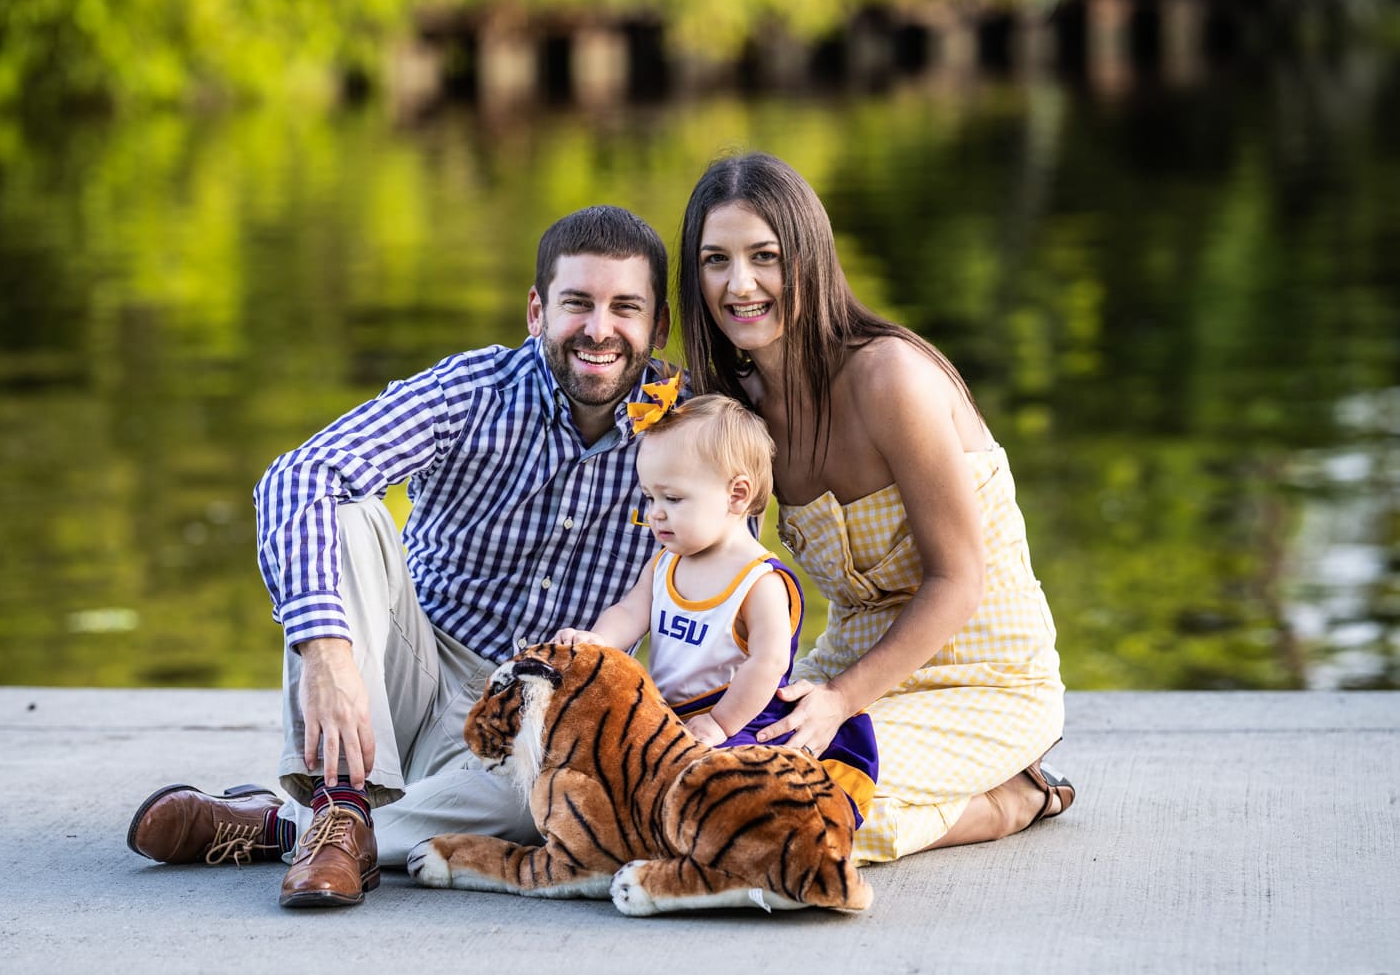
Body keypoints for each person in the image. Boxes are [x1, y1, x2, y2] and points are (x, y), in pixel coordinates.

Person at [127, 205, 682, 907]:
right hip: (410, 671)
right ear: (537, 311)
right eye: (578, 303)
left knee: (541, 809)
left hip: (528, 714)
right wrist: (326, 656)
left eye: (624, 308)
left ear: (658, 326)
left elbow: (714, 591)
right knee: (348, 508)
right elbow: (300, 475)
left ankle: (290, 828)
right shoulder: (472, 390)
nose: (599, 330)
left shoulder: (691, 434)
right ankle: (338, 799)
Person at [676, 152, 1075, 864]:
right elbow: (724, 573)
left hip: (985, 678)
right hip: (853, 669)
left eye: (764, 256)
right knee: (700, 784)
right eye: (716, 260)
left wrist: (837, 703)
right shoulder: (741, 416)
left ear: (808, 257)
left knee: (798, 819)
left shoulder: (891, 378)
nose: (740, 284)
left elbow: (959, 579)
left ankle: (1016, 796)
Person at [548, 393, 879, 824]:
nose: (655, 515)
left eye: (673, 499)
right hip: (674, 713)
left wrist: (720, 723)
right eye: (649, 498)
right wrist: (598, 640)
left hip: (741, 717)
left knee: (715, 792)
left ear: (736, 495)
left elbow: (768, 663)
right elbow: (631, 612)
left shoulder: (758, 581)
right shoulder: (667, 563)